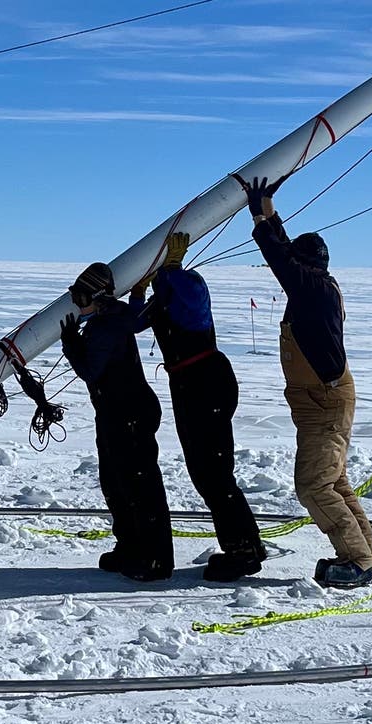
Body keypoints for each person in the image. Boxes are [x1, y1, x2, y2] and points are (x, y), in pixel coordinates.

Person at [234, 174, 372, 588]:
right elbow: (287, 258)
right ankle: (364, 559)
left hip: (325, 402)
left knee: (314, 486)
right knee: (333, 482)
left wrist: (262, 217)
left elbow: (282, 259)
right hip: (322, 401)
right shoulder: (314, 287)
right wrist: (268, 212)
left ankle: (357, 560)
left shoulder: (313, 289)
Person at [131, 231, 265, 581]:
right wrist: (139, 290)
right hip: (188, 384)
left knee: (213, 471)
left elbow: (191, 300)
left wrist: (172, 269)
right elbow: (134, 322)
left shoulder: (189, 285)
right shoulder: (165, 296)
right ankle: (245, 543)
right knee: (205, 470)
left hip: (206, 382)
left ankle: (244, 551)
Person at [60, 262, 175, 582]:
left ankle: (155, 560)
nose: (77, 304)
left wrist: (72, 346)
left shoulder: (106, 325)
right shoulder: (114, 317)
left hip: (128, 414)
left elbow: (90, 371)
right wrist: (139, 296)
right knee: (116, 483)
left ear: (98, 297)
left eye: (81, 297)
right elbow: (138, 317)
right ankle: (130, 546)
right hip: (116, 413)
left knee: (139, 486)